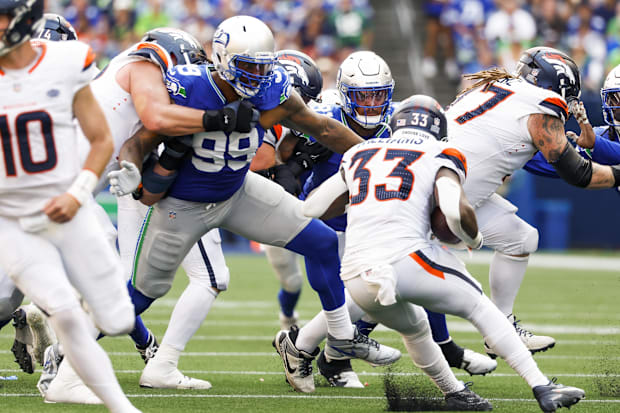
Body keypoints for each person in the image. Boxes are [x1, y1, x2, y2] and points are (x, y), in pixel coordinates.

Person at [114, 15, 401, 394]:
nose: (258, 75)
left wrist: (377, 157)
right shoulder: (189, 86)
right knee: (142, 293)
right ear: (222, 59)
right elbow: (142, 137)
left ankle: (340, 334)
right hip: (184, 205)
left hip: (237, 191)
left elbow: (324, 129)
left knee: (321, 242)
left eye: (265, 67)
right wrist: (129, 165)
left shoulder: (274, 88)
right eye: (249, 67)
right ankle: (71, 360)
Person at [300, 93, 585, 413]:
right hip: (407, 258)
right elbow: (452, 207)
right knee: (481, 306)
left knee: (416, 328)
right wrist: (473, 237)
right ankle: (542, 386)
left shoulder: (359, 152)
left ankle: (455, 394)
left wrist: (359, 202)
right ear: (439, 126)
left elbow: (313, 207)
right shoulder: (441, 151)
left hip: (356, 274)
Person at [275, 50, 495, 391]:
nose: (372, 102)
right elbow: (284, 159)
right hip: (329, 220)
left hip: (375, 220)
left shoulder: (400, 119)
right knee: (368, 295)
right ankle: (320, 351)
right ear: (345, 95)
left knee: (393, 287)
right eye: (363, 95)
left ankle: (323, 354)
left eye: (378, 94)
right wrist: (303, 159)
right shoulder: (324, 115)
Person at [0, 2, 140, 412]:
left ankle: (36, 321)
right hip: (10, 217)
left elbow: (100, 139)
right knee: (62, 310)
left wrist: (78, 192)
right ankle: (119, 406)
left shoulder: (67, 64)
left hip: (65, 205)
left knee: (117, 319)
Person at [444, 46, 620, 359]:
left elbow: (549, 161)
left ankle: (501, 329)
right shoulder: (540, 104)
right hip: (441, 198)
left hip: (448, 187)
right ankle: (345, 340)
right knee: (410, 282)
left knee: (521, 237)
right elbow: (576, 173)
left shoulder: (497, 88)